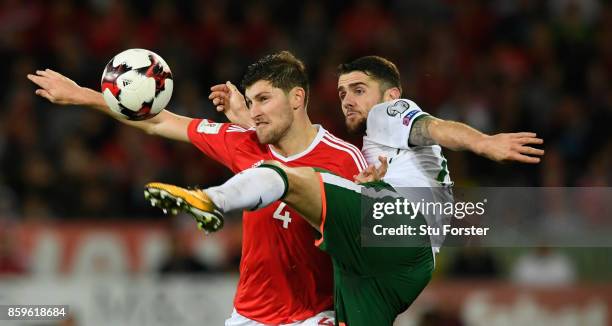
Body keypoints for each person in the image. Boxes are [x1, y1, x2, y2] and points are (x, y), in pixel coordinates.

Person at [145, 56, 544, 325]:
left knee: (283, 175)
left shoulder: (389, 115)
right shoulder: (371, 149)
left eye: (358, 89)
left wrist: (484, 143)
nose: (347, 100)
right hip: (383, 273)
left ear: (392, 95)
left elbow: (434, 127)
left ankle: (212, 199)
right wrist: (246, 115)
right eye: (341, 93)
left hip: (402, 235)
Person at [27, 51, 369, 325]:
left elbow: (375, 247)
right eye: (250, 102)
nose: (255, 112)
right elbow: (161, 121)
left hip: (315, 315)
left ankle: (213, 200)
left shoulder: (346, 160)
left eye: (264, 99)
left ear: (297, 98)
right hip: (249, 316)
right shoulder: (243, 142)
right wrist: (83, 96)